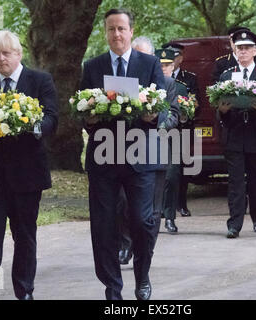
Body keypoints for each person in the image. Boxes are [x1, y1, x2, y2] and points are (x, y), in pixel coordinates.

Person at [0, 30, 59, 300]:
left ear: (19, 54)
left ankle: (24, 290)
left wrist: (34, 125)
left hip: (27, 173)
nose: (1, 58)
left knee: (25, 235)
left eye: (6, 53)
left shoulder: (40, 80)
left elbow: (52, 116)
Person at [80, 8, 165, 300]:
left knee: (142, 221)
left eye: (121, 29)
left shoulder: (150, 64)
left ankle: (142, 276)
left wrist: (152, 113)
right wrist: (88, 118)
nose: (116, 34)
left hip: (140, 156)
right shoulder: (93, 66)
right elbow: (82, 110)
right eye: (111, 29)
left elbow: (161, 110)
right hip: (104, 157)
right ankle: (112, 288)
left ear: (130, 31)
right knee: (104, 225)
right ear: (105, 33)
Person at [117, 39, 180, 264]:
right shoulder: (122, 83)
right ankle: (126, 245)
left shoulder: (166, 83)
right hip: (125, 150)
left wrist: (157, 122)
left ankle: (146, 251)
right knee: (123, 202)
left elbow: (173, 114)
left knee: (152, 209)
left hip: (155, 148)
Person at [216, 30, 256, 238]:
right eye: (239, 48)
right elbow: (219, 108)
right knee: (235, 182)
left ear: (255, 51)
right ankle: (234, 224)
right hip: (234, 136)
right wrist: (222, 111)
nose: (242, 52)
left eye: (246, 48)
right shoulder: (226, 75)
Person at [161, 42, 198, 217]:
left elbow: (193, 106)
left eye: (168, 64)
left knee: (177, 172)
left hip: (179, 133)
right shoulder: (152, 82)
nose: (165, 68)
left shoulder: (185, 82)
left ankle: (176, 209)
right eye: (161, 65)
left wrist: (186, 112)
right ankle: (160, 209)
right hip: (158, 134)